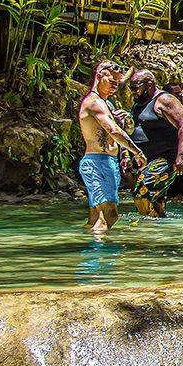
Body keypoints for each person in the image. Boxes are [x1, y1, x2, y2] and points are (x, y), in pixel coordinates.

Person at [77, 61, 147, 236]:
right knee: (110, 215)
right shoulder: (94, 102)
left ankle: (89, 254)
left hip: (107, 162)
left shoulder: (107, 104)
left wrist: (126, 120)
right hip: (97, 163)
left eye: (118, 81)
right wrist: (137, 152)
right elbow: (114, 131)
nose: (116, 85)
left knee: (95, 218)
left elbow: (124, 130)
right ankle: (102, 260)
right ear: (99, 76)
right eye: (112, 80)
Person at [126, 69, 183, 218]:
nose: (133, 91)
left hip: (166, 158)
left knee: (141, 194)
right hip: (146, 160)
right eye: (131, 88)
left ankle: (152, 227)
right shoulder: (138, 103)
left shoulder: (164, 100)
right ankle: (159, 231)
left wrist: (181, 155)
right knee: (155, 201)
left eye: (135, 87)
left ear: (149, 85)